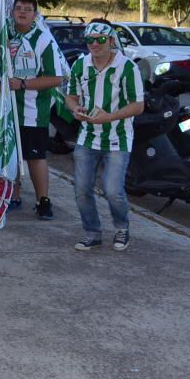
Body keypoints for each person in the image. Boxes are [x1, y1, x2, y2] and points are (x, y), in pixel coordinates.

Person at [65, 20, 144, 252]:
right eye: (90, 40)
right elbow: (71, 96)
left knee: (113, 190)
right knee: (81, 189)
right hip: (87, 136)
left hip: (118, 137)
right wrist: (75, 109)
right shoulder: (80, 65)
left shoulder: (128, 67)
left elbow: (138, 105)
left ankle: (122, 228)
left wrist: (108, 117)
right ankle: (92, 232)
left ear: (111, 41)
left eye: (100, 40)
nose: (95, 45)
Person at [0, 0, 63, 219]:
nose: (22, 12)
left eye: (27, 9)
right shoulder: (4, 35)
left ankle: (43, 201)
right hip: (6, 109)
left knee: (35, 156)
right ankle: (13, 195)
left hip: (33, 111)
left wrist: (22, 84)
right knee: (7, 152)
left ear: (35, 14)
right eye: (18, 8)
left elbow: (55, 78)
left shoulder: (43, 39)